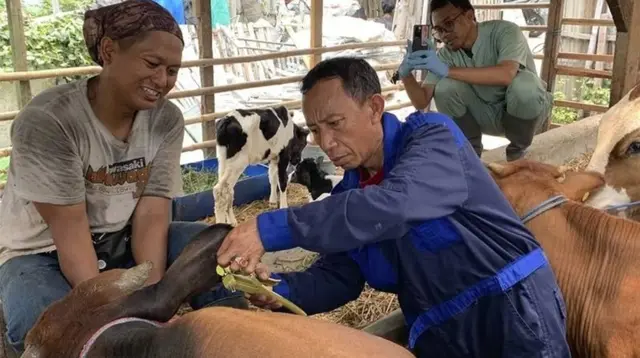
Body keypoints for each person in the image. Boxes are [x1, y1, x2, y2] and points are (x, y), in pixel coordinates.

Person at [214, 57, 571, 357]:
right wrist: (279, 292)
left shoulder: (433, 137)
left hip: (510, 311)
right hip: (439, 334)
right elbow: (340, 276)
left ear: (374, 108)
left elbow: (397, 203)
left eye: (335, 124)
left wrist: (268, 228)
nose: (326, 143)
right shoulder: (349, 196)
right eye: (316, 130)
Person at [0, 0, 244, 354]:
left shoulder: (165, 120)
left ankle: (235, 341)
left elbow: (152, 214)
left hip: (122, 238)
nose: (162, 81)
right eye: (152, 64)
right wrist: (123, 316)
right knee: (41, 324)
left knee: (222, 253)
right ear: (109, 51)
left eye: (173, 70)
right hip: (42, 252)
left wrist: (156, 301)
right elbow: (72, 236)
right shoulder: (50, 122)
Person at [398, 0, 553, 161]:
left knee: (524, 85)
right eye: (438, 30)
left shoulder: (505, 31)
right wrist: (405, 74)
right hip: (488, 115)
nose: (444, 35)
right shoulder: (446, 54)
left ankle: (518, 151)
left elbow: (506, 74)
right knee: (444, 88)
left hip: (527, 115)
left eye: (449, 24)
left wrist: (446, 70)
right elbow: (422, 101)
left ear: (470, 15)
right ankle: (470, 155)